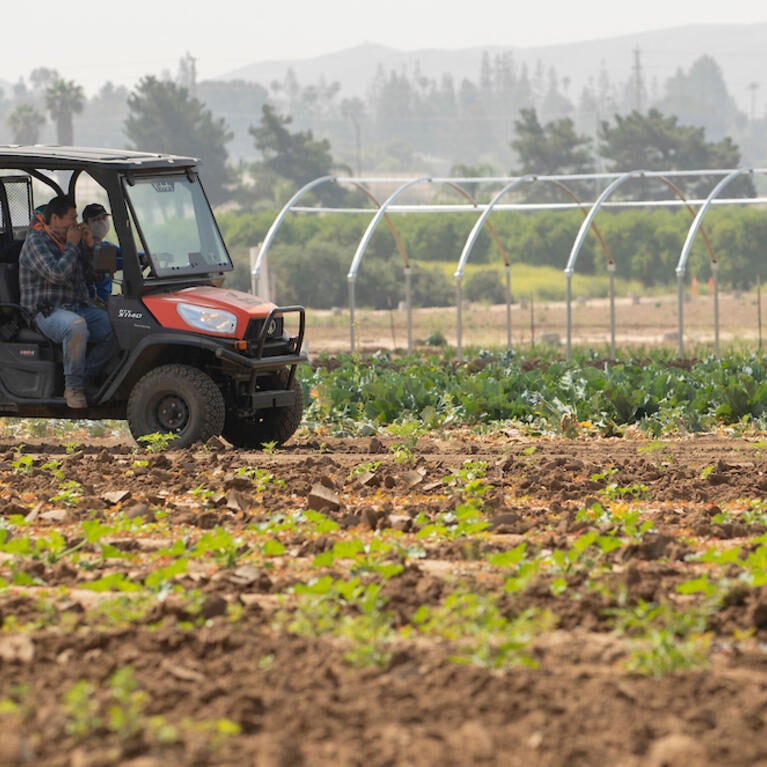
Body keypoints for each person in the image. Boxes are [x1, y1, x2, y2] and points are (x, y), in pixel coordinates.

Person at [19, 195, 116, 409]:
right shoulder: (36, 242)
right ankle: (73, 387)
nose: (75, 224)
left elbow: (95, 277)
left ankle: (86, 376)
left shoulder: (73, 241)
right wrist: (73, 246)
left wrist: (89, 246)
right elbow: (57, 274)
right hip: (46, 310)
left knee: (116, 327)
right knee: (76, 327)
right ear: (55, 218)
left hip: (77, 305)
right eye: (71, 219)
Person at [81, 202, 121, 304]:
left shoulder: (106, 246)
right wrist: (138, 260)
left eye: (104, 218)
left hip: (108, 300)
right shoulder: (83, 248)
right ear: (86, 224)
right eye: (96, 220)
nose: (102, 223)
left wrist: (146, 257)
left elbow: (128, 253)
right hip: (93, 302)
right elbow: (118, 261)